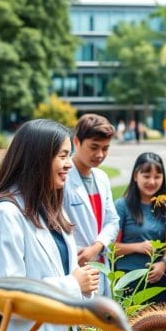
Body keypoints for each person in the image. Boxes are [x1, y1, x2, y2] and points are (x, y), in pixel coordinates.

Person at [0, 119, 100, 331]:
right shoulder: (6, 214)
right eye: (62, 155)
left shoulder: (51, 209)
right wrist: (73, 284)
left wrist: (84, 289)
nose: (70, 163)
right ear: (36, 159)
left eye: (69, 154)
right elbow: (5, 298)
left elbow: (65, 275)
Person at [64, 113, 120, 298]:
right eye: (94, 147)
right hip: (75, 265)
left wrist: (97, 247)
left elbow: (113, 220)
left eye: (105, 148)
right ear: (76, 142)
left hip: (100, 261)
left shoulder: (101, 178)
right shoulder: (62, 178)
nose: (100, 155)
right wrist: (82, 254)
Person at [114, 152, 166, 303]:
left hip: (159, 280)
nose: (152, 181)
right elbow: (110, 248)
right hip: (128, 279)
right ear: (135, 176)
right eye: (146, 176)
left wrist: (164, 263)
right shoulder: (122, 206)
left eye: (157, 177)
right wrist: (137, 247)